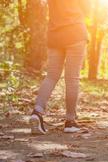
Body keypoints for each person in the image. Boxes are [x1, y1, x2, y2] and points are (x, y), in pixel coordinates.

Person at [29, 0, 90, 134]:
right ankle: (70, 121)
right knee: (72, 79)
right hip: (75, 32)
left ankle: (37, 112)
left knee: (51, 76)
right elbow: (88, 9)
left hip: (55, 34)